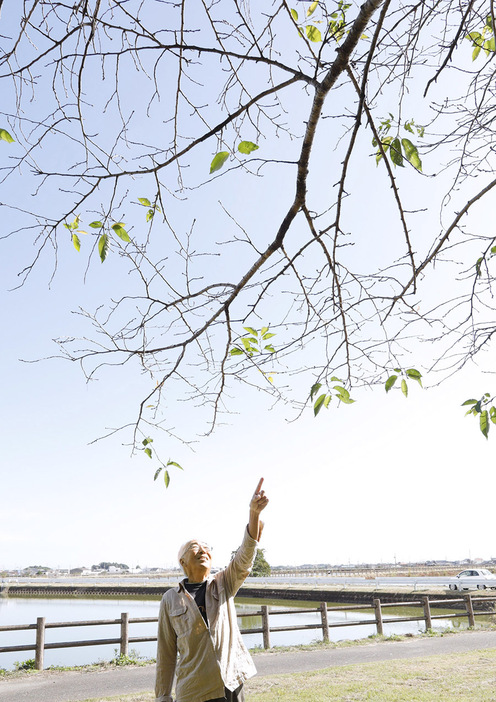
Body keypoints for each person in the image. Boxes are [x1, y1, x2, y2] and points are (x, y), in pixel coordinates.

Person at [155, 478, 269, 702]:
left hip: (230, 685)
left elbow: (244, 558)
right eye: (194, 547)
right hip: (193, 691)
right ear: (182, 561)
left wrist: (253, 514)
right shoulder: (170, 599)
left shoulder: (223, 583)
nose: (203, 550)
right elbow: (166, 654)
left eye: (206, 548)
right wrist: (163, 696)